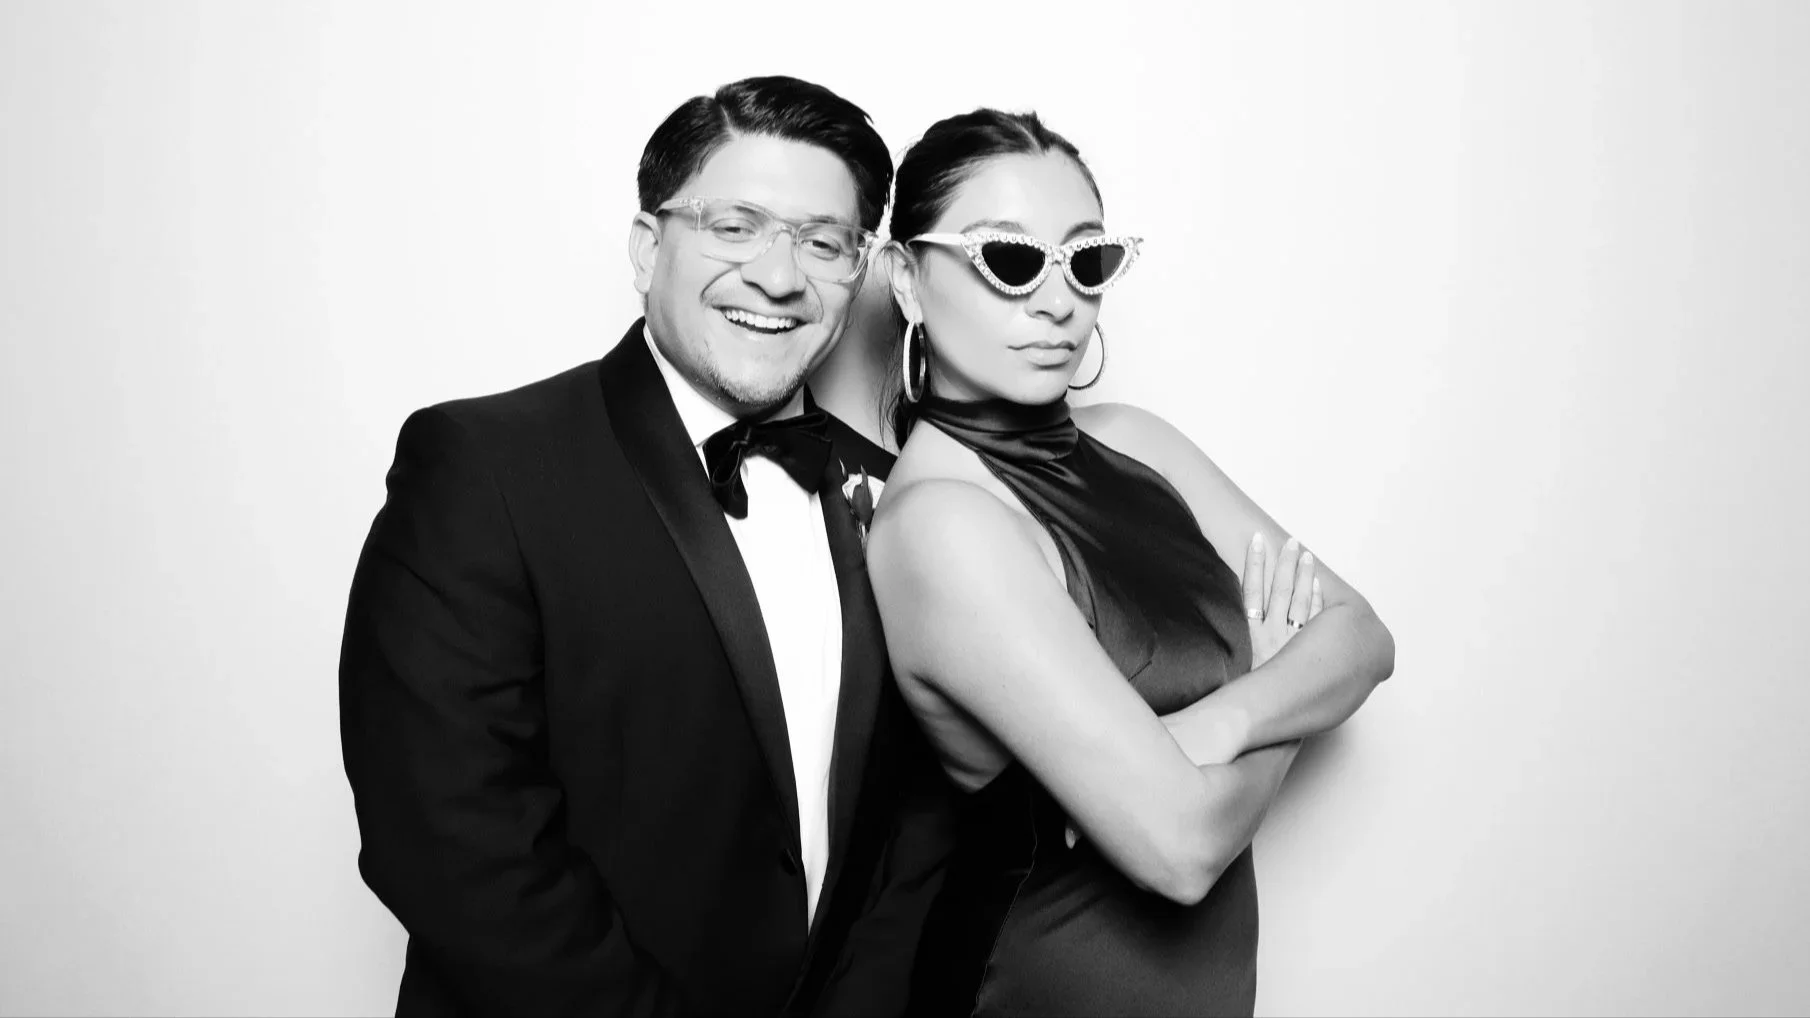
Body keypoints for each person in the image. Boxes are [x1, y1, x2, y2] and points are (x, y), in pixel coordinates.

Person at [339, 76, 952, 1017]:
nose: (779, 276)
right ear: (646, 246)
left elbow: (912, 820)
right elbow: (451, 843)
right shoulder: (483, 466)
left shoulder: (903, 496)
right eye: (735, 226)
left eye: (824, 243)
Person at [865, 109, 1398, 1016]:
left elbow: (1364, 638)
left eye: (1087, 260)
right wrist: (1280, 683)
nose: (1058, 302)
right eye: (1011, 259)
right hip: (1034, 985)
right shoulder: (941, 526)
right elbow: (1182, 851)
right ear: (908, 278)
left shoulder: (1138, 444)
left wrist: (1217, 727)